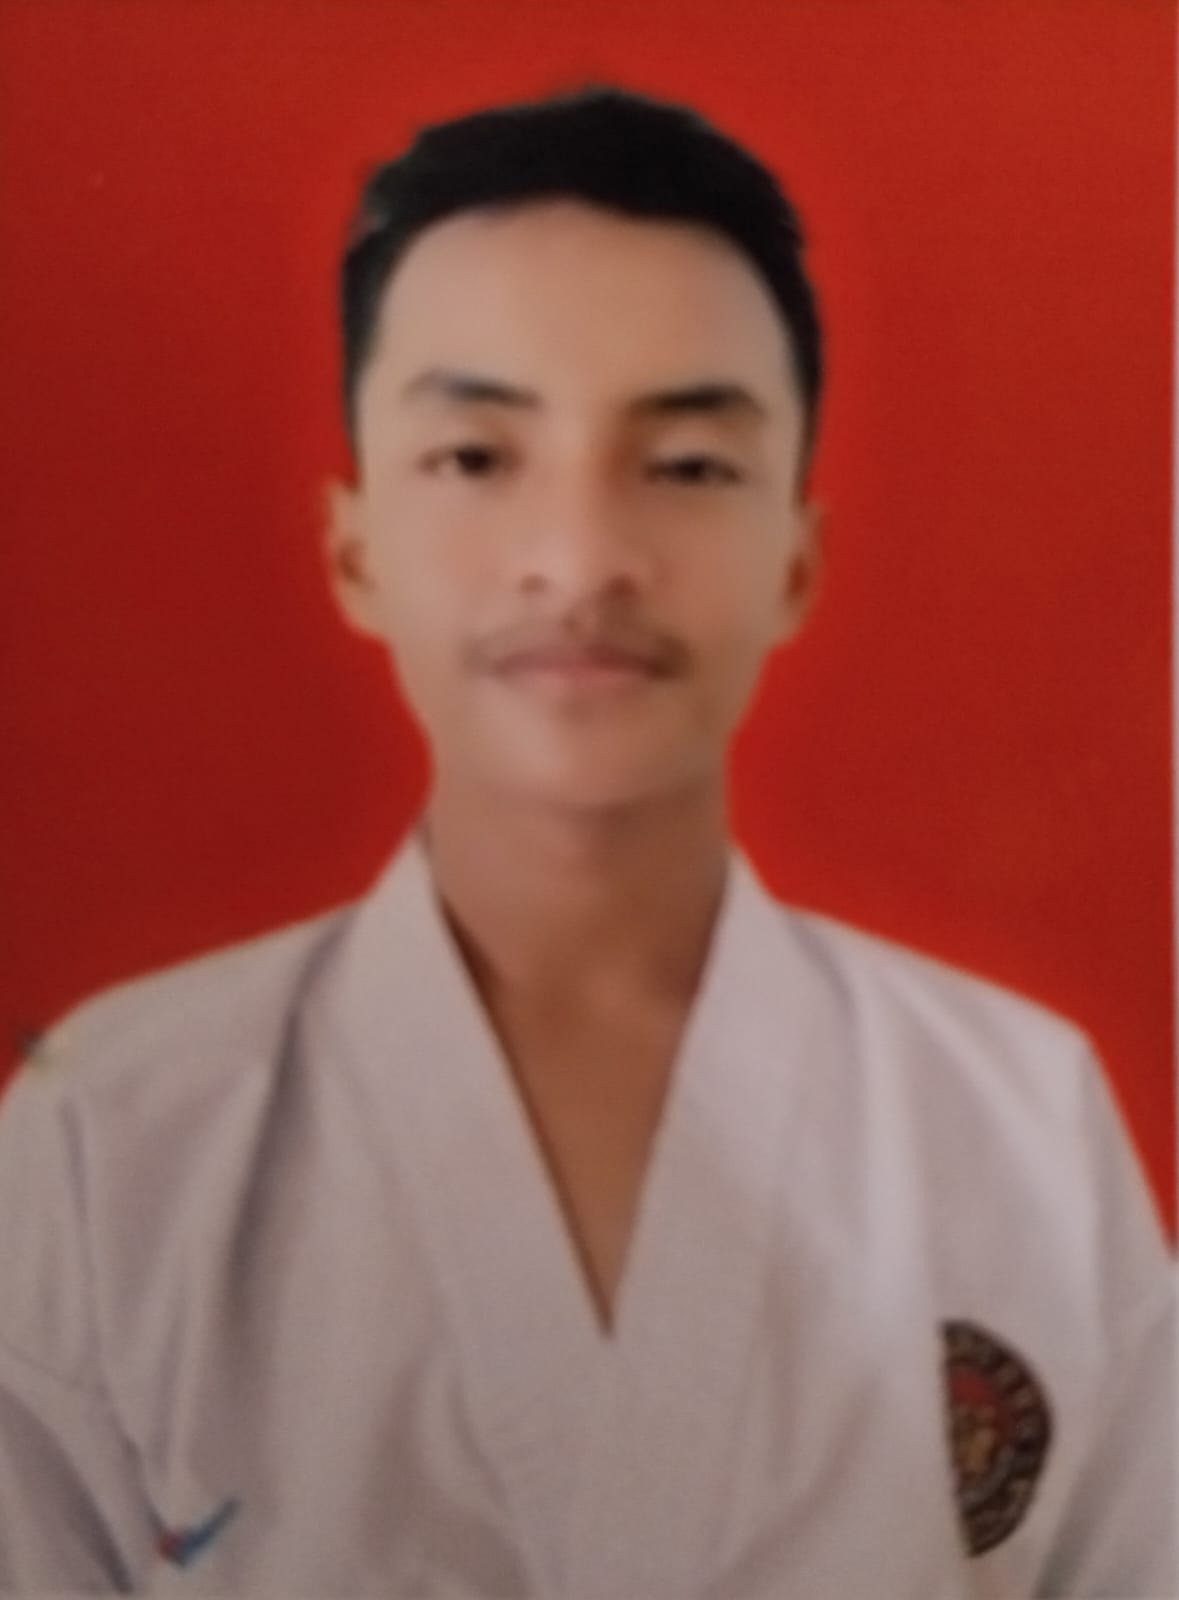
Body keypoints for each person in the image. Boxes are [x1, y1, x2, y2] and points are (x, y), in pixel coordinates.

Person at [0, 85, 1173, 1600]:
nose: (581, 558)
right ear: (353, 547)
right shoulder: (113, 1140)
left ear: (797, 557)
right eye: (477, 457)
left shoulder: (1016, 1118)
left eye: (685, 465)